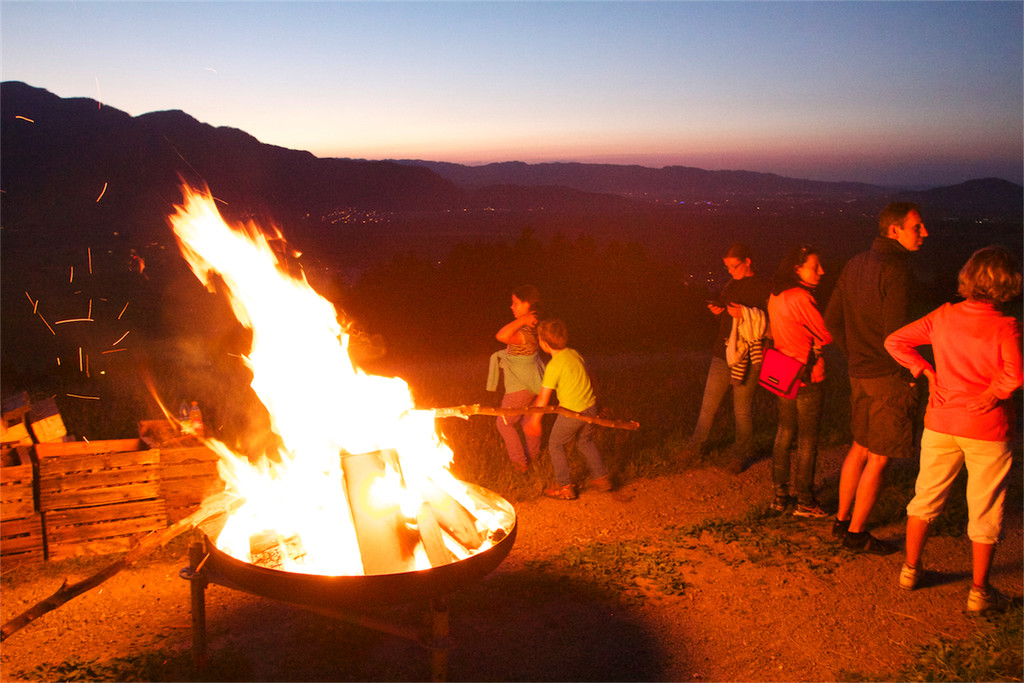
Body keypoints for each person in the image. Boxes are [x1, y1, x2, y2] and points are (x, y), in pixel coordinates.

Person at [884, 246, 1022, 614]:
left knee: (926, 496)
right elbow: (1015, 375)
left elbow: (895, 341)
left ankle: (910, 570)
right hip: (987, 428)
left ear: (969, 276)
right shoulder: (1005, 326)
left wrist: (925, 371)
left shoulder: (943, 315)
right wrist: (993, 393)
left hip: (941, 422)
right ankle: (979, 592)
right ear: (1009, 283)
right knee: (986, 507)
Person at [824, 201, 928, 554]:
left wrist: (854, 354)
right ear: (894, 230)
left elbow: (832, 319)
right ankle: (856, 534)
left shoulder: (855, 264)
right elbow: (895, 333)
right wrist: (908, 373)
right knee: (880, 457)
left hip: (859, 373)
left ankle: (841, 521)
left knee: (860, 446)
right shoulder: (898, 269)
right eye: (917, 227)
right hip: (887, 376)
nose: (924, 233)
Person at [685, 242, 770, 473]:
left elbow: (768, 323)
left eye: (734, 266)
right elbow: (727, 321)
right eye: (728, 268)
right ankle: (694, 447)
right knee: (708, 405)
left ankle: (740, 455)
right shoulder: (731, 285)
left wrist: (745, 313)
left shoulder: (763, 287)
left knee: (741, 409)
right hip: (722, 352)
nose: (730, 271)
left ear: (747, 262)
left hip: (748, 357)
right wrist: (719, 312)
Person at [766, 244, 833, 518]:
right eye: (815, 267)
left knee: (784, 433)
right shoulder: (801, 297)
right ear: (797, 269)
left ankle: (780, 497)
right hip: (807, 375)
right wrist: (818, 342)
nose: (821, 271)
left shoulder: (775, 295)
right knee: (807, 440)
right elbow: (825, 334)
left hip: (782, 372)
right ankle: (805, 500)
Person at [524, 318, 611, 500]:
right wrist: (598, 403)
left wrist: (534, 421)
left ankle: (565, 486)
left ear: (544, 344)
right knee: (585, 441)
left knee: (555, 444)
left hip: (572, 412)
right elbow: (590, 377)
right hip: (590, 408)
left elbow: (543, 398)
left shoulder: (553, 366)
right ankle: (601, 477)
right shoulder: (574, 353)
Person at [487, 285, 545, 473]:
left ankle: (520, 463)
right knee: (528, 421)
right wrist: (524, 319)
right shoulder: (533, 326)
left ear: (527, 304)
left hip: (521, 386)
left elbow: (501, 336)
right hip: (534, 383)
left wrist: (522, 319)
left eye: (516, 303)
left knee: (503, 422)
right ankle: (534, 458)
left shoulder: (526, 330)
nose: (512, 307)